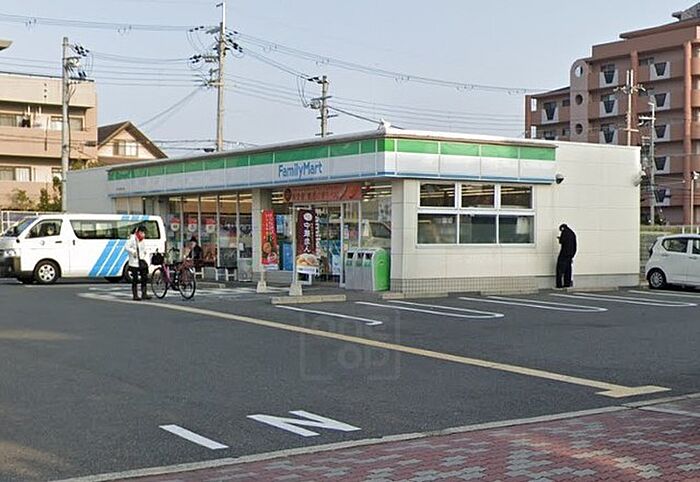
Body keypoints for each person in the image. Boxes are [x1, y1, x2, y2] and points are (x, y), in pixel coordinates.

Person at [125, 225, 151, 301]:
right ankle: (135, 295)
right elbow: (126, 247)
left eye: (144, 233)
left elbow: (144, 249)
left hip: (142, 261)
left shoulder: (142, 240)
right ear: (138, 232)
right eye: (142, 232)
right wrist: (133, 252)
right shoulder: (132, 238)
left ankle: (144, 293)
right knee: (135, 279)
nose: (143, 234)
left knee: (144, 278)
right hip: (134, 262)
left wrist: (145, 252)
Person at [556, 223, 577, 289]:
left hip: (564, 253)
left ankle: (559, 285)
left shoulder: (564, 232)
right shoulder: (572, 233)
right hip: (570, 254)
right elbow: (575, 245)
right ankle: (567, 283)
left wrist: (559, 238)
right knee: (568, 269)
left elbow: (562, 241)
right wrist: (572, 255)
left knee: (559, 269)